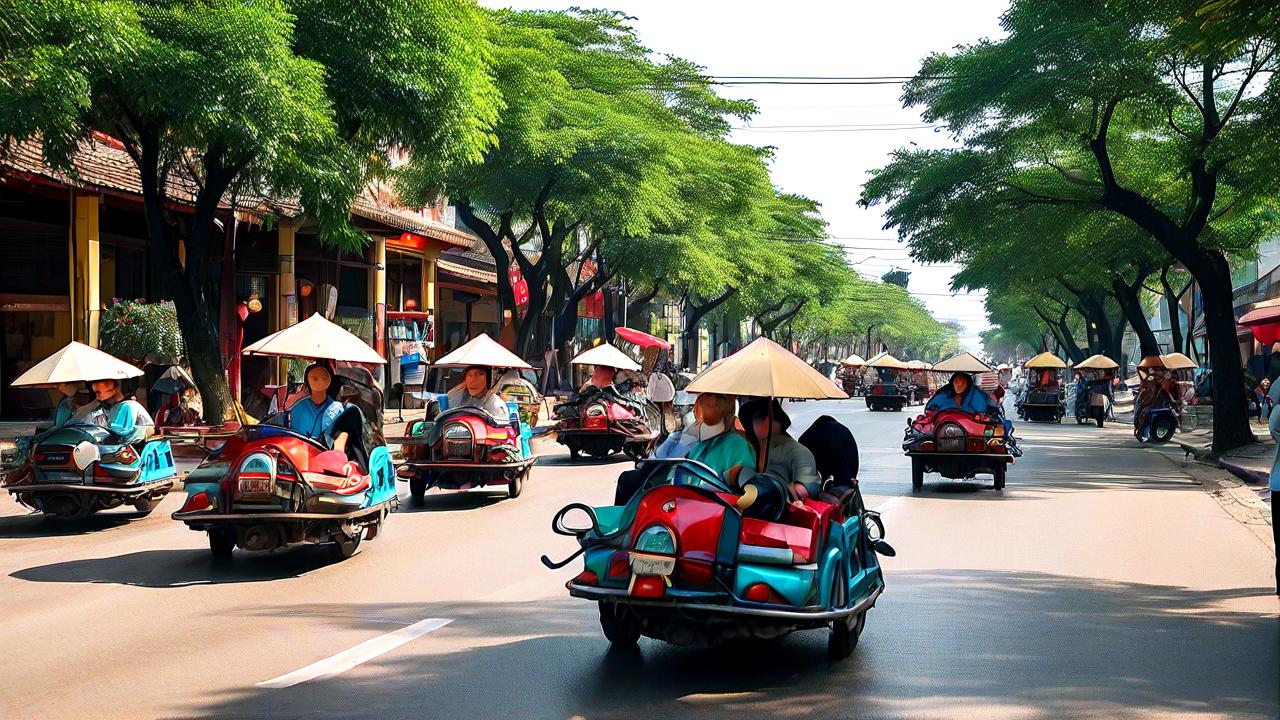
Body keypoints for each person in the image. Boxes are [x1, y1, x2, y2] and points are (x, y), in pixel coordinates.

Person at [738, 398, 820, 499]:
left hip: (783, 508)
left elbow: (808, 485)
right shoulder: (751, 449)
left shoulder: (796, 451)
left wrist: (795, 490)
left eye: (761, 419)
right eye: (756, 420)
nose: (757, 424)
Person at [288, 362, 349, 452]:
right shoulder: (298, 408)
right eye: (315, 378)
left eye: (324, 378)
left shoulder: (337, 408)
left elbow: (340, 436)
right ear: (307, 381)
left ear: (330, 380)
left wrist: (338, 455)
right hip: (300, 455)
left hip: (327, 457)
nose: (320, 381)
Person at [82, 378, 154, 444]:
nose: (98, 397)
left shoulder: (127, 406)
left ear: (114, 390)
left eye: (100, 392)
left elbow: (120, 435)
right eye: (96, 393)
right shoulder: (101, 410)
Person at [446, 365, 514, 420]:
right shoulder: (460, 397)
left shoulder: (495, 404)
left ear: (489, 379)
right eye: (469, 375)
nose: (472, 380)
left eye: (479, 374)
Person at [926, 372, 1002, 415]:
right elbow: (930, 407)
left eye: (963, 382)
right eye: (956, 381)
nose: (959, 384)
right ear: (952, 382)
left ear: (968, 383)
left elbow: (981, 410)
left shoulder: (975, 394)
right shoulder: (945, 393)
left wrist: (960, 406)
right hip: (944, 426)